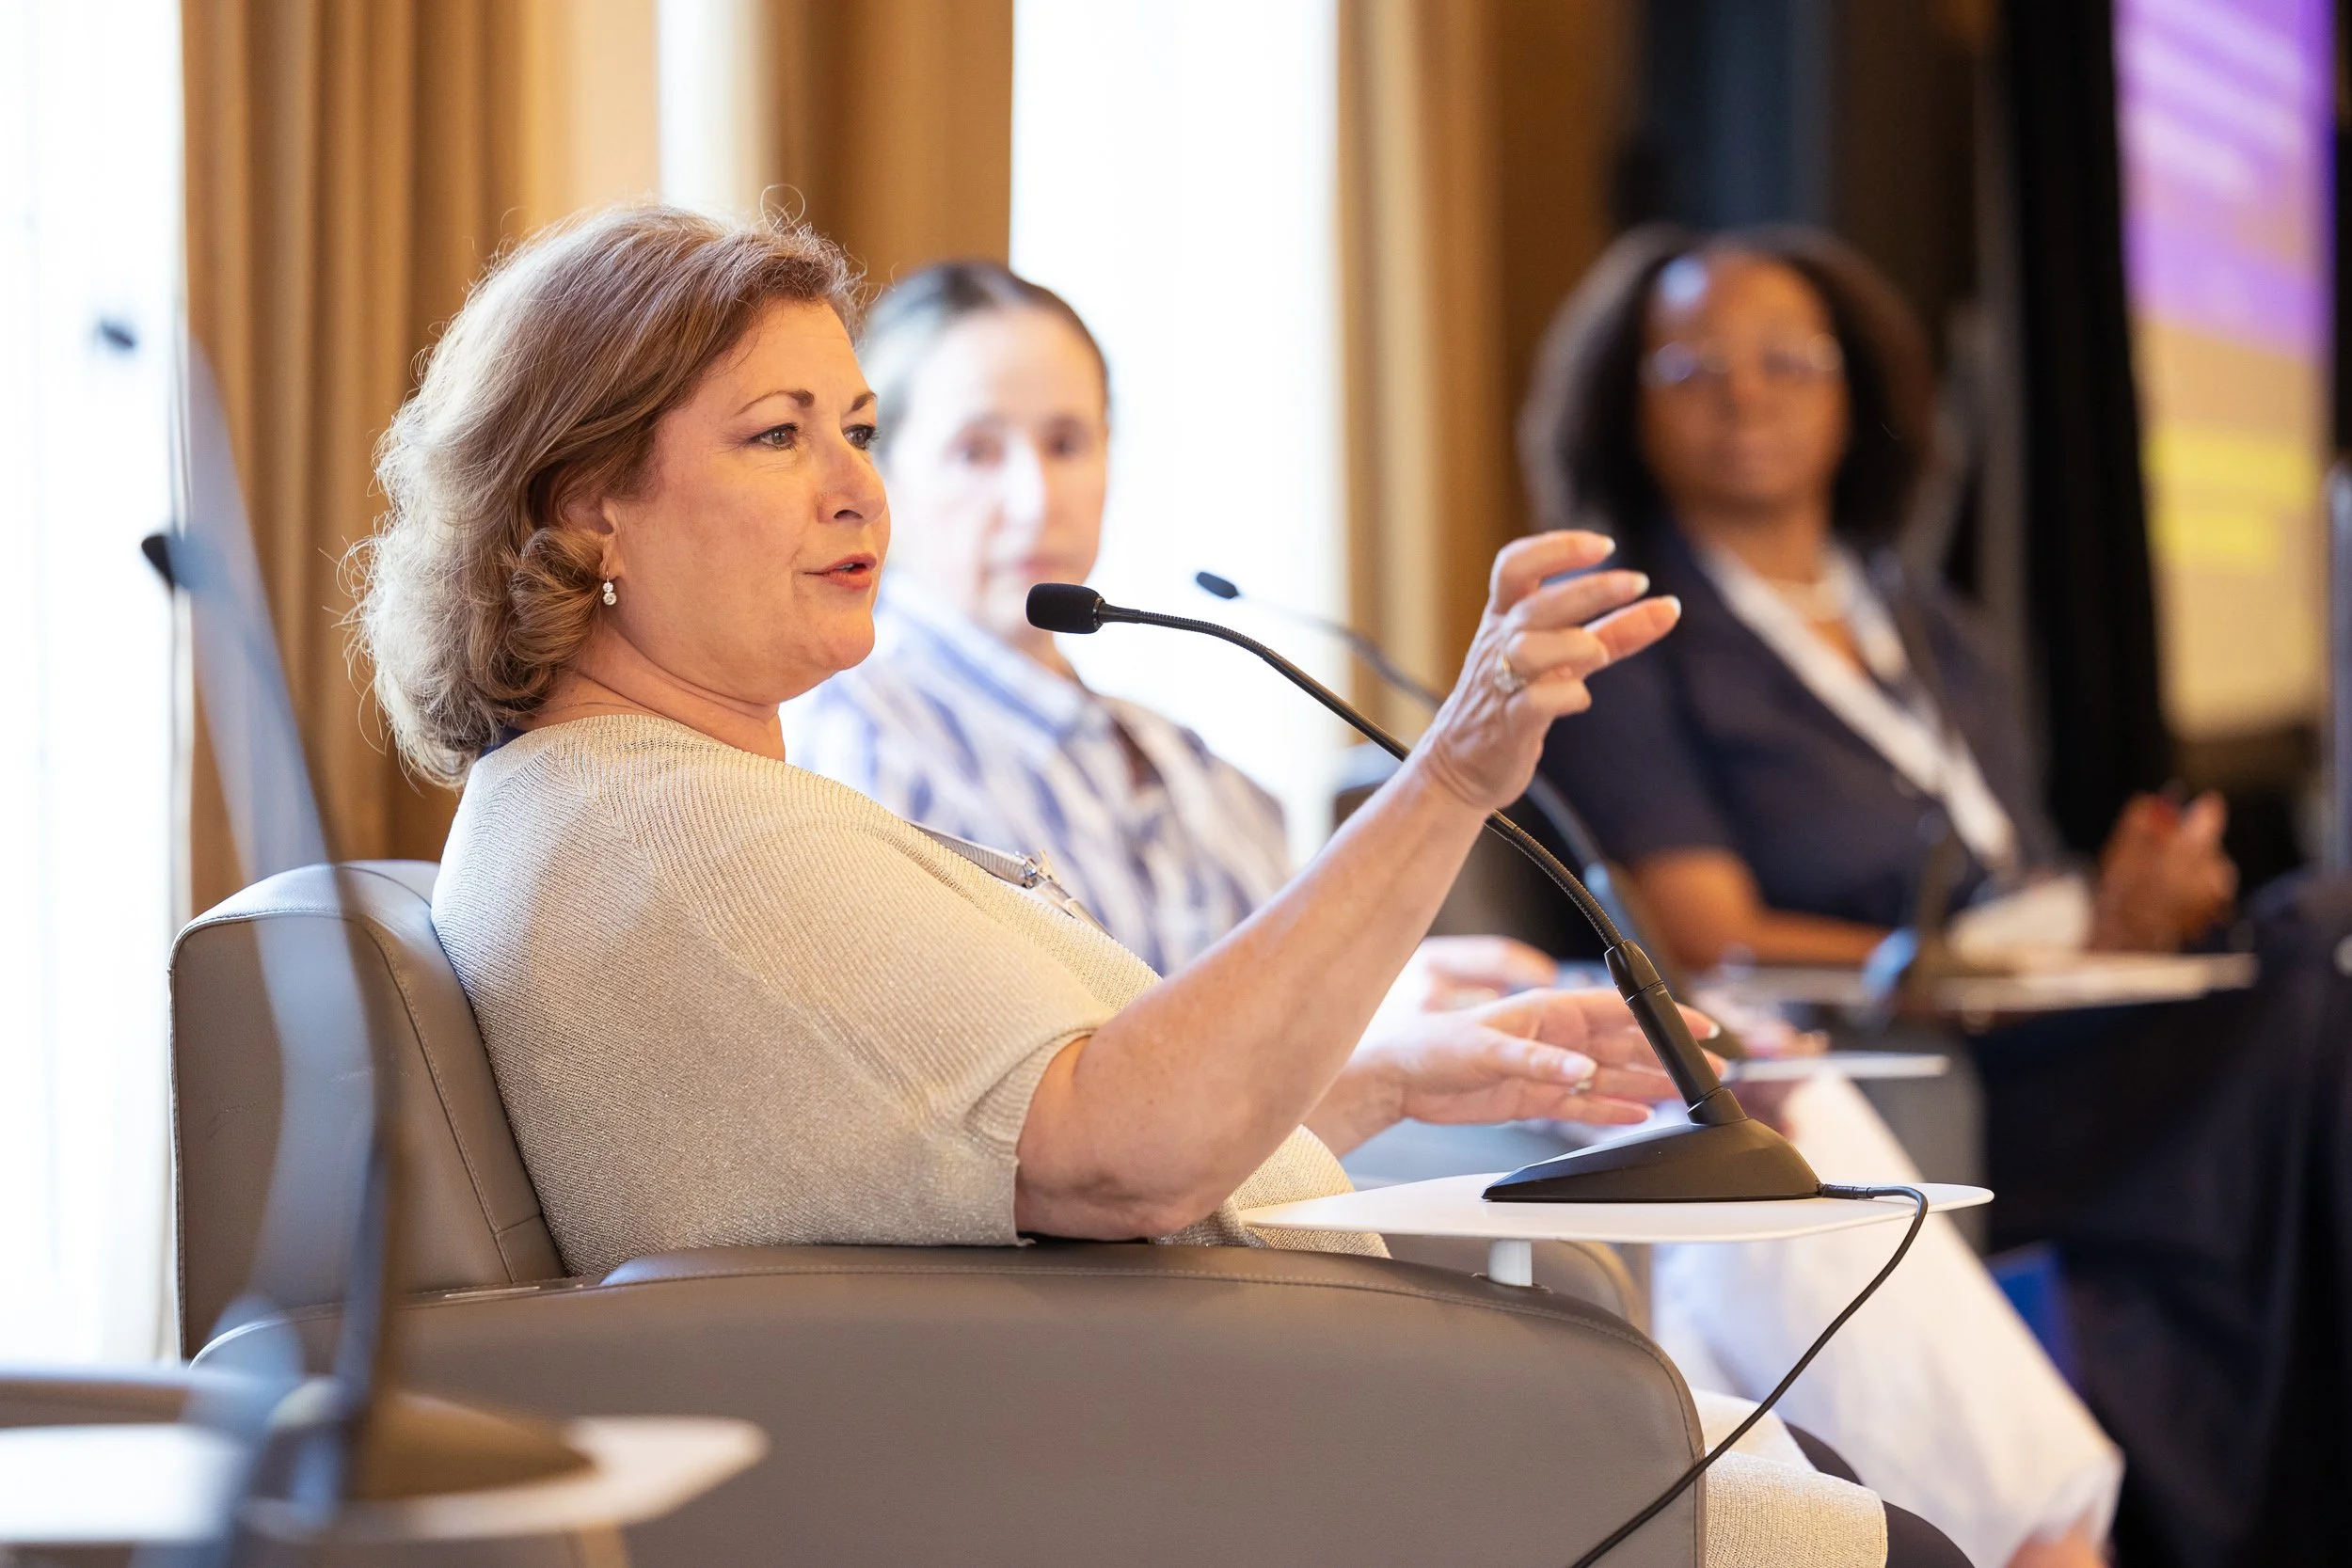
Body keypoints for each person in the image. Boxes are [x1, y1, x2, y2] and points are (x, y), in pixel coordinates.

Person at [351, 203, 1966, 1567]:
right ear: (586, 505)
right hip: (1223, 1453)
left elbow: (984, 1154)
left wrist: (1386, 1073)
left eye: (855, 428)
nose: (862, 491)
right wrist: (1456, 769)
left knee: (1828, 1465)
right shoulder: (681, 843)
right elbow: (1117, 1159)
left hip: (1231, 1411)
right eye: (778, 438)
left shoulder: (653, 808)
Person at [787, 260, 2114, 1568]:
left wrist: (1438, 986)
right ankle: (2037, 1541)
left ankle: (1957, 1530)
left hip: (1316, 1143)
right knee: (1694, 1131)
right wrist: (1397, 1007)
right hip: (1161, 1224)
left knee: (1713, 1092)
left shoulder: (1193, 757)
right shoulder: (858, 749)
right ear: (882, 471)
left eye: (1068, 440)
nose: (1034, 492)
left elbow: (1299, 987)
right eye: (973, 448)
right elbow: (1065, 1082)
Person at [1523, 222, 2352, 1568]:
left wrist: (2118, 912)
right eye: (1693, 365)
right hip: (1907, 1057)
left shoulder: (1928, 621)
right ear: (1629, 403)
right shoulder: (1632, 633)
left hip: (2048, 1021)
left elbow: (2010, 872)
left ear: (1857, 394)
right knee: (2308, 1001)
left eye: (1788, 359)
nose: (1745, 391)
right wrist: (1973, 960)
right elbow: (1707, 930)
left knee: (2317, 931)